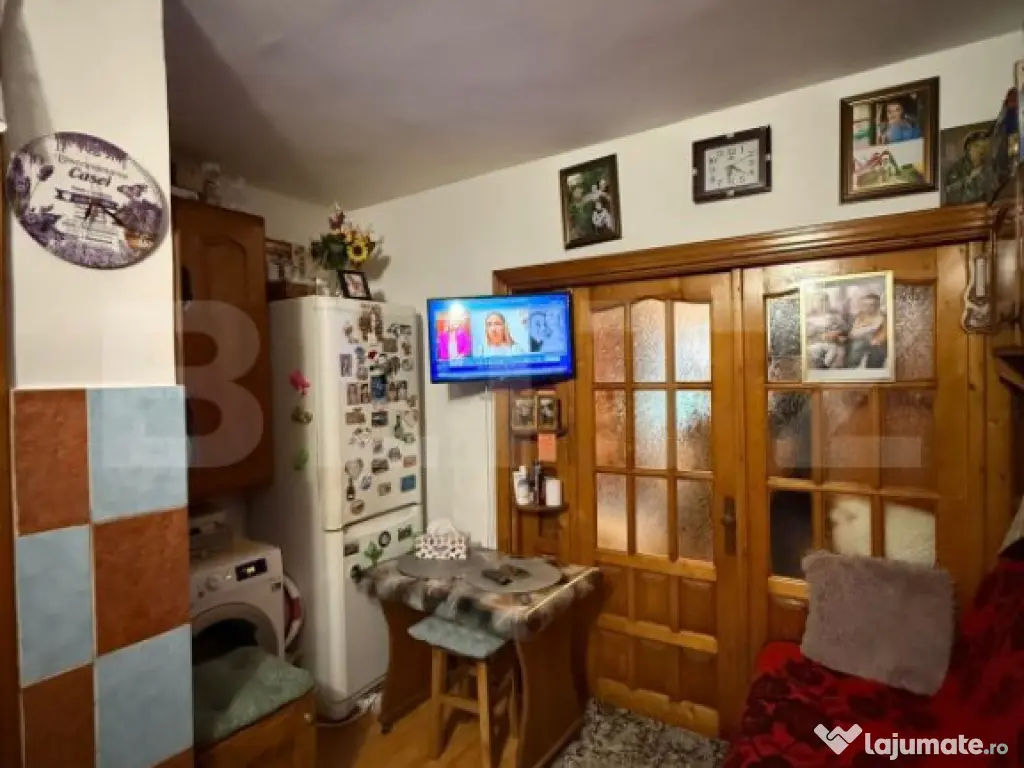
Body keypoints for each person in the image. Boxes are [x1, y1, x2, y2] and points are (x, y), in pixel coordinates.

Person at [943, 129, 992, 205]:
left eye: (984, 147)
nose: (980, 150)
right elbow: (950, 190)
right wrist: (970, 178)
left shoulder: (990, 165)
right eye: (976, 146)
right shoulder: (957, 167)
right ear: (968, 147)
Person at [804, 292, 846, 370]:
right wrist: (816, 334)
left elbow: (843, 331)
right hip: (814, 343)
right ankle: (819, 365)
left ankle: (824, 365)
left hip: (830, 343)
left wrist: (836, 334)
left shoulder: (835, 316)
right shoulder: (809, 318)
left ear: (828, 302)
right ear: (814, 303)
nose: (822, 303)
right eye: (820, 301)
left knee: (834, 350)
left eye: (825, 300)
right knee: (812, 351)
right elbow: (806, 335)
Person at [845, 292, 887, 369]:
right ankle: (851, 368)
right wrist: (871, 328)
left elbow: (882, 337)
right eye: (865, 305)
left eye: (871, 305)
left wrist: (863, 331)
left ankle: (872, 370)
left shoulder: (883, 318)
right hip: (862, 342)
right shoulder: (861, 316)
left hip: (877, 344)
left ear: (877, 306)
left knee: (877, 352)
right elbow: (852, 334)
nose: (867, 308)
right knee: (857, 345)